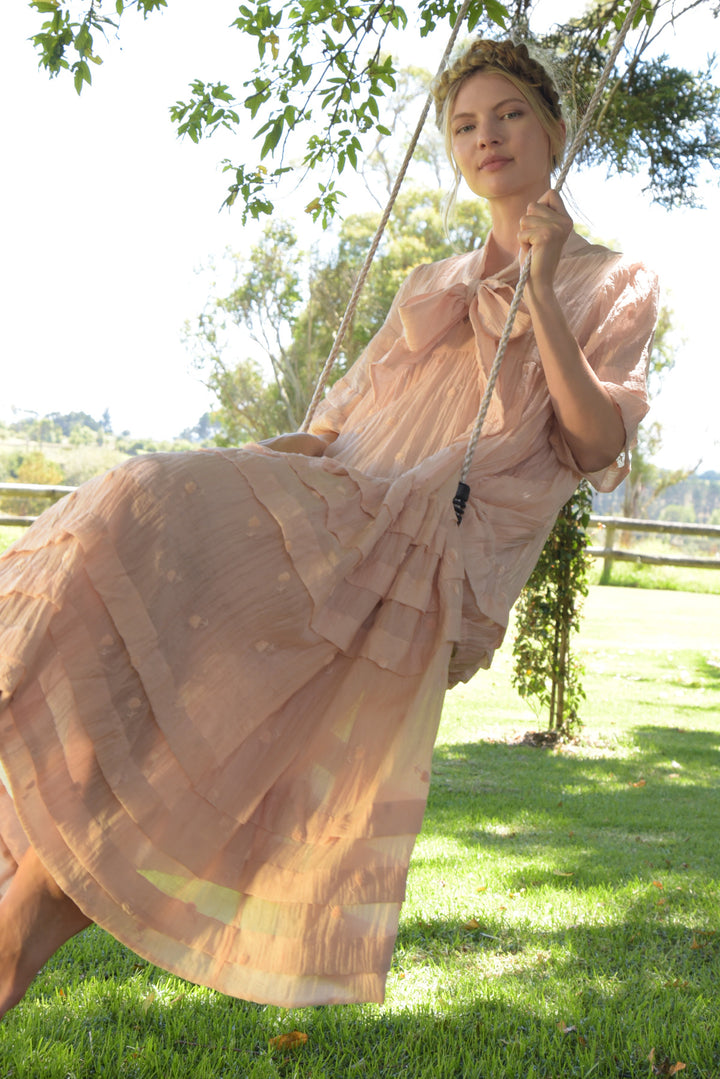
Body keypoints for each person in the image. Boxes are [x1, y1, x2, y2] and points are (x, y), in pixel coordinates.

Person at [0, 38, 658, 1017]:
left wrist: (544, 281)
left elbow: (593, 439)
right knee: (140, 521)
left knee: (181, 763)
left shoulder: (614, 279)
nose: (486, 137)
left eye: (509, 114)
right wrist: (236, 470)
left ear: (556, 131)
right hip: (337, 512)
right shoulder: (429, 283)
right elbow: (337, 424)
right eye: (464, 125)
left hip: (427, 557)